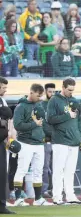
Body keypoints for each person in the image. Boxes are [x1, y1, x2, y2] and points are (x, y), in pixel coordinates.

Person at [12, 83, 53, 206]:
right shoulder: (21, 107)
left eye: (41, 96)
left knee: (38, 171)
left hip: (39, 143)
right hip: (25, 142)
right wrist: (34, 124)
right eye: (38, 95)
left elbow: (43, 123)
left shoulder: (39, 105)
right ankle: (18, 199)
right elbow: (17, 126)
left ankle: (38, 198)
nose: (40, 98)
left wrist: (47, 136)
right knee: (22, 170)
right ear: (31, 92)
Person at [47, 78, 81, 205]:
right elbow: (50, 119)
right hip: (60, 141)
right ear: (63, 87)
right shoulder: (54, 100)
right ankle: (57, 197)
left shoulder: (74, 100)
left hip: (74, 141)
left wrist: (79, 136)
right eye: (69, 90)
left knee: (70, 171)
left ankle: (70, 196)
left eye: (73, 90)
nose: (71, 92)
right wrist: (67, 115)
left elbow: (79, 121)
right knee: (58, 170)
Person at [0, 77, 15, 214]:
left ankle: (2, 205)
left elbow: (8, 117)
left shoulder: (2, 100)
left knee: (2, 174)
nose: (5, 90)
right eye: (3, 87)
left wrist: (9, 135)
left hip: (1, 141)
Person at [40, 83, 55, 198]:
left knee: (58, 167)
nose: (52, 94)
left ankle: (55, 189)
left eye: (54, 92)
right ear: (45, 91)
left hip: (58, 141)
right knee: (45, 167)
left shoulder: (57, 104)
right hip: (46, 141)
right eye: (50, 91)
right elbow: (43, 124)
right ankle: (44, 189)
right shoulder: (41, 105)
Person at [37, 12, 59, 77]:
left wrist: (44, 43)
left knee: (49, 73)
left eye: (47, 17)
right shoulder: (42, 28)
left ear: (50, 19)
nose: (45, 19)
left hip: (50, 53)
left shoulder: (52, 28)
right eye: (44, 17)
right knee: (44, 73)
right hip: (42, 52)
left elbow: (56, 41)